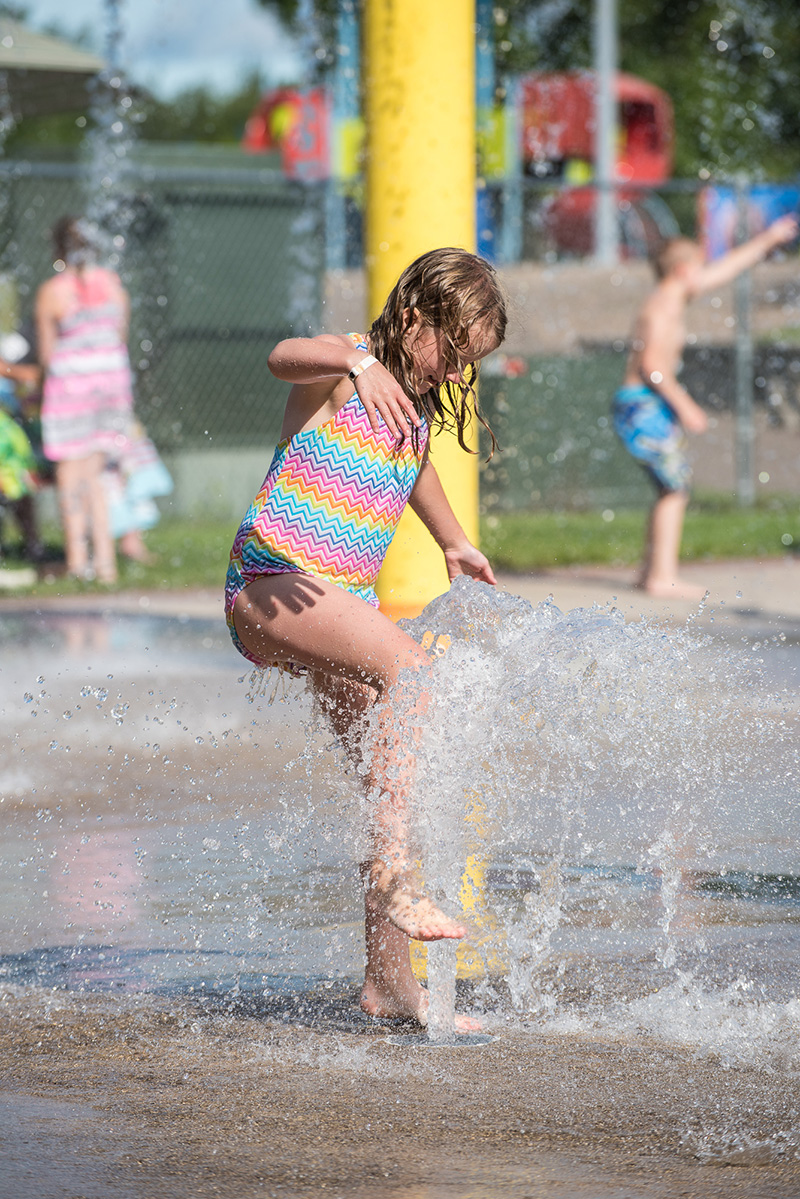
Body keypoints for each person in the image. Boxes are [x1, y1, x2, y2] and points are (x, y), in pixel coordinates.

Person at [225, 247, 506, 1029]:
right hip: (271, 581)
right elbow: (281, 355)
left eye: (470, 364)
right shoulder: (341, 368)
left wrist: (453, 539)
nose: (457, 374)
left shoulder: (409, 410)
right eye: (454, 353)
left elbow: (415, 466)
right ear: (413, 318)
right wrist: (356, 360)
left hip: (340, 603)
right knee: (414, 672)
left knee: (386, 783)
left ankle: (388, 980)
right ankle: (395, 876)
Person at [613, 214, 798, 599]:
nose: (706, 275)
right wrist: (685, 406)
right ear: (683, 271)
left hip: (644, 405)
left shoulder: (672, 295)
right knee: (675, 489)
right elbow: (651, 366)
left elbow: (723, 271)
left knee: (669, 488)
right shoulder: (662, 306)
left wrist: (768, 239)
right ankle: (661, 576)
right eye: (700, 267)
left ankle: (650, 572)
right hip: (644, 404)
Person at [36, 216, 134, 584]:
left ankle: (77, 561)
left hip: (70, 388)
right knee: (96, 472)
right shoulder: (112, 284)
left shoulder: (52, 291)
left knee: (69, 472)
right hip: (111, 386)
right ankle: (105, 564)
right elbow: (119, 337)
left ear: (58, 249)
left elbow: (47, 355)